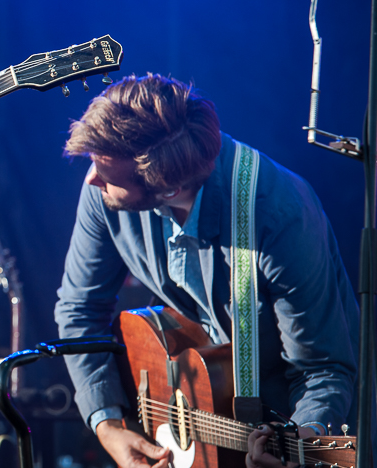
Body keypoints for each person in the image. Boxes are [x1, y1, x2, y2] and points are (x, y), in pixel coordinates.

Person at [53, 74, 359, 468]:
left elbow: (324, 369)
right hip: (199, 424)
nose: (92, 178)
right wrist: (107, 424)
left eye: (106, 173)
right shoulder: (103, 191)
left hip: (282, 422)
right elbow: (79, 310)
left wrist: (306, 439)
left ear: (166, 189)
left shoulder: (279, 215)